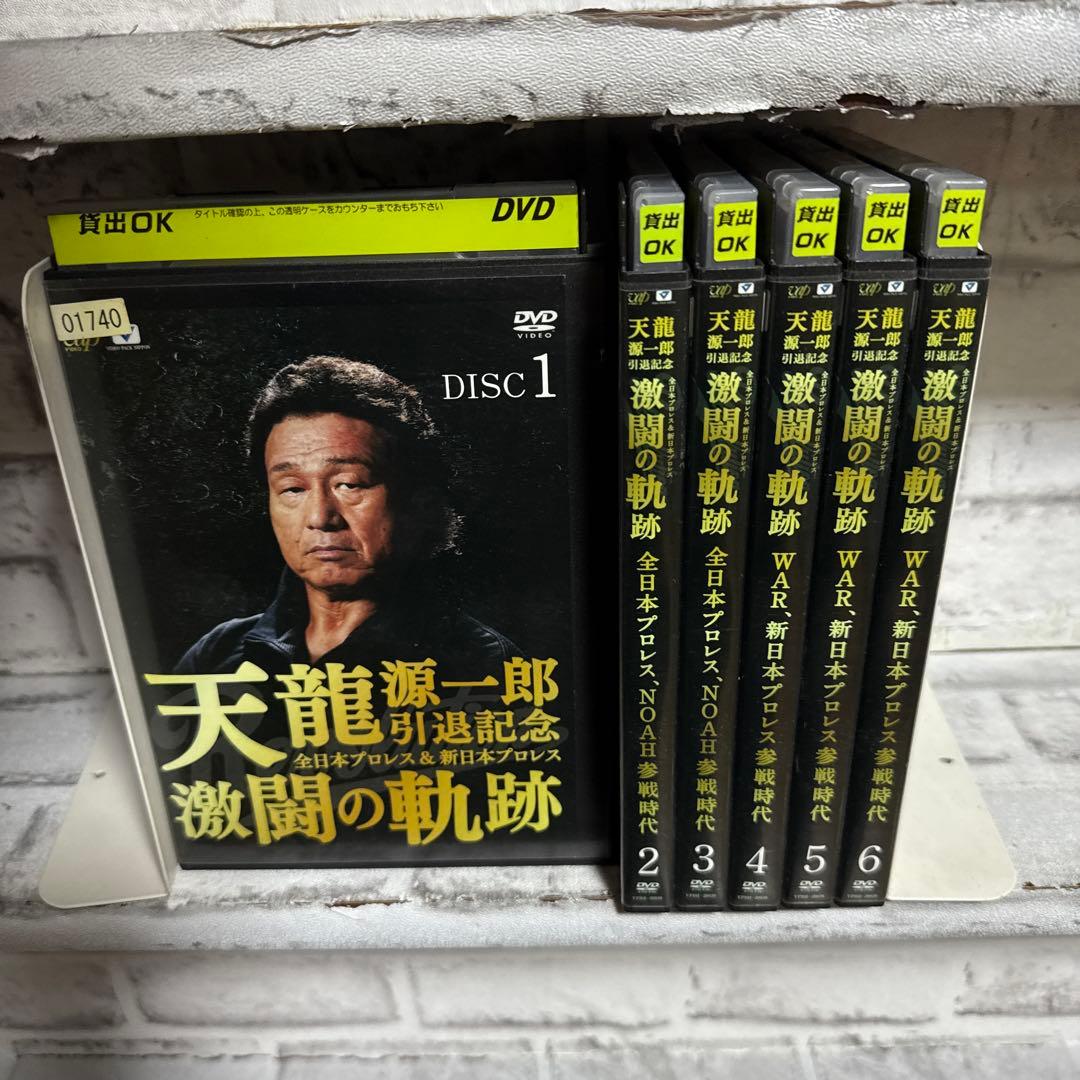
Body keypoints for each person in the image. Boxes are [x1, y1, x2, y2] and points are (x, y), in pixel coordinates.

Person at [174, 355, 518, 676]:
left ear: (418, 501)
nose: (320, 517)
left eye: (349, 484)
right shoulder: (218, 654)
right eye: (292, 488)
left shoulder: (483, 666)